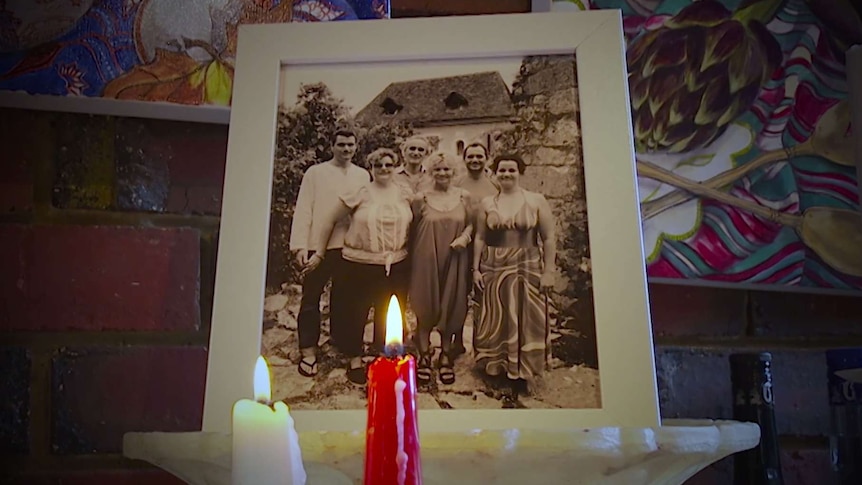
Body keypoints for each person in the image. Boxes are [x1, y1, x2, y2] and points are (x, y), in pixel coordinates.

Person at [307, 147, 414, 385]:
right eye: (378, 165)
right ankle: (354, 359)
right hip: (359, 264)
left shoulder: (404, 193)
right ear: (371, 168)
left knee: (389, 311)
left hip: (395, 264)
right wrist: (320, 251)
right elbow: (329, 220)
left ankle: (383, 355)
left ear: (395, 167)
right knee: (355, 313)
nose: (384, 169)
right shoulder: (361, 192)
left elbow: (415, 222)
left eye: (388, 165)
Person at [472, 153, 557, 395]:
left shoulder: (536, 200)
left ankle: (523, 371)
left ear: (520, 172)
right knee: (495, 316)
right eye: (502, 170)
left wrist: (549, 271)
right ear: (495, 173)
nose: (506, 174)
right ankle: (495, 368)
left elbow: (549, 238)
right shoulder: (488, 203)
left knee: (527, 316)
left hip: (527, 265)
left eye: (511, 170)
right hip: (494, 265)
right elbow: (480, 237)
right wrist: (475, 269)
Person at [290, 127, 369, 378]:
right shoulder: (316, 173)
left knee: (346, 299)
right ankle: (308, 350)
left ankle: (343, 342)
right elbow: (304, 208)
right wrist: (300, 245)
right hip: (317, 245)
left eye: (350, 145)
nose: (346, 149)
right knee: (311, 298)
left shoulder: (363, 175)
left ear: (356, 147)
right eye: (341, 145)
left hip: (349, 246)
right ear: (332, 146)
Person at [409, 152, 474, 385]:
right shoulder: (420, 198)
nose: (443, 173)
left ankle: (446, 354)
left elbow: (471, 224)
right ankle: (424, 354)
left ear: (454, 172)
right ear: (431, 172)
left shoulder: (464, 196)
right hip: (426, 257)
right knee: (426, 304)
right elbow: (413, 227)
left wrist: (465, 239)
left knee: (453, 303)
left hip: (456, 257)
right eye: (438, 169)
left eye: (447, 169)